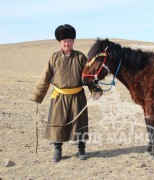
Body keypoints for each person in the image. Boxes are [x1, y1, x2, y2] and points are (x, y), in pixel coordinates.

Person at [30, 24, 102, 162]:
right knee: (58, 123)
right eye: (64, 41)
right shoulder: (54, 58)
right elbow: (45, 77)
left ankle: (81, 149)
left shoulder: (81, 57)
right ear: (60, 43)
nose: (67, 43)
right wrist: (38, 96)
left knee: (79, 123)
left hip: (77, 96)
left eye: (69, 40)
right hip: (59, 97)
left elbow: (89, 77)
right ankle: (58, 150)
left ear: (73, 42)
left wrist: (95, 90)